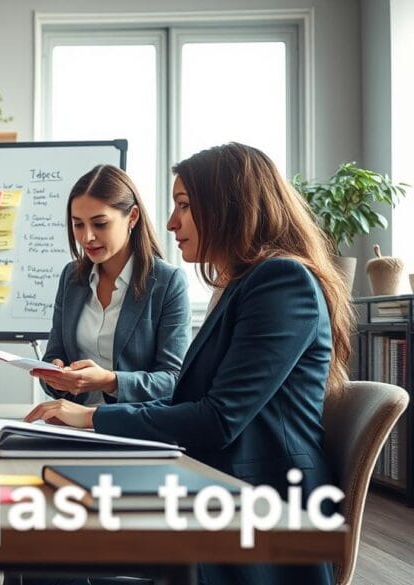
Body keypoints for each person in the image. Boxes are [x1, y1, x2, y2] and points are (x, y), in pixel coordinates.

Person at [26, 143, 351, 585]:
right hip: (215, 485)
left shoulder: (282, 282)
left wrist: (92, 416)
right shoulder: (243, 285)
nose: (171, 221)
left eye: (184, 206)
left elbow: (218, 419)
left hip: (263, 507)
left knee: (50, 559)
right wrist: (88, 416)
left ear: (229, 208)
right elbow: (191, 400)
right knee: (42, 548)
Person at [31, 164, 191, 406]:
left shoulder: (168, 282)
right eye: (78, 224)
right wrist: (55, 374)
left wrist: (109, 381)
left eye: (100, 224)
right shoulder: (72, 277)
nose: (87, 237)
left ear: (133, 217)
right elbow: (55, 355)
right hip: (73, 424)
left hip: (133, 428)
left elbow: (173, 380)